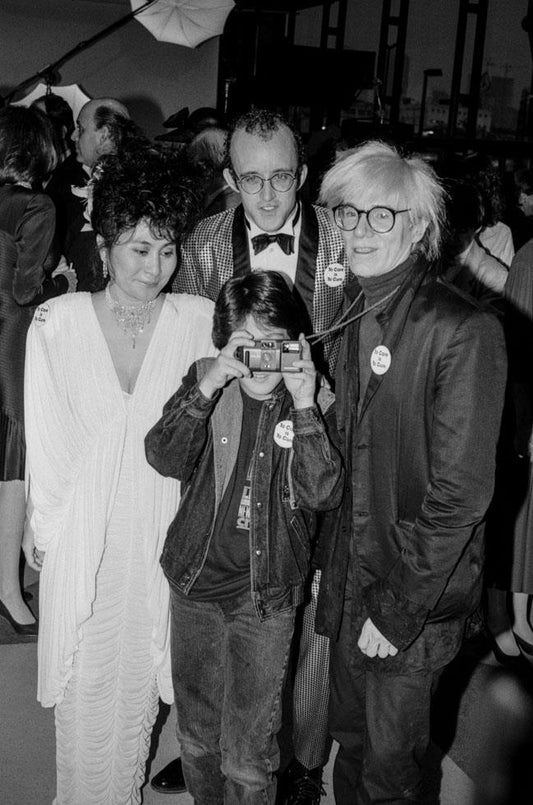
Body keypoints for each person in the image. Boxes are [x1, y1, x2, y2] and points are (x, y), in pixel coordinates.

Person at [162, 107, 348, 802]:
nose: (267, 196)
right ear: (228, 177)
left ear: (301, 174)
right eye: (250, 180)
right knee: (216, 628)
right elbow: (188, 346)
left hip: (312, 439)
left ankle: (292, 758)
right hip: (228, 450)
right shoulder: (202, 243)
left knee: (300, 612)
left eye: (280, 179)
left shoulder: (339, 241)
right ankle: (212, 754)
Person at [23, 145, 216, 804]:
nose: (154, 267)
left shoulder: (197, 322)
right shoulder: (56, 323)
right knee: (82, 701)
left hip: (159, 541)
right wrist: (48, 542)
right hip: (83, 539)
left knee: (136, 699)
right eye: (138, 249)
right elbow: (44, 446)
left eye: (166, 250)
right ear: (103, 245)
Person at [316, 140, 507, 803]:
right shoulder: (347, 309)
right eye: (346, 213)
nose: (358, 230)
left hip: (412, 597)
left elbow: (461, 494)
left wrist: (395, 607)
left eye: (380, 215)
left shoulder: (463, 329)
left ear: (419, 228)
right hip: (349, 581)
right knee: (350, 743)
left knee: (390, 776)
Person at [145, 270, 343, 804]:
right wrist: (209, 382)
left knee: (250, 756)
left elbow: (323, 493)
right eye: (248, 346)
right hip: (195, 584)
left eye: (275, 346)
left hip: (267, 598)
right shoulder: (206, 381)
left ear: (297, 345)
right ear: (225, 343)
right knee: (196, 739)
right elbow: (163, 456)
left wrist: (304, 406)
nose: (262, 362)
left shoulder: (313, 399)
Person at [0, 105, 75, 637]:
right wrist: (64, 283)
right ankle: (8, 590)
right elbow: (26, 291)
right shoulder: (37, 205)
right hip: (11, 343)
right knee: (15, 468)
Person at [46, 97, 149, 292]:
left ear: (105, 134)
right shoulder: (63, 180)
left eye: (81, 129)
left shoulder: (142, 182)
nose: (73, 136)